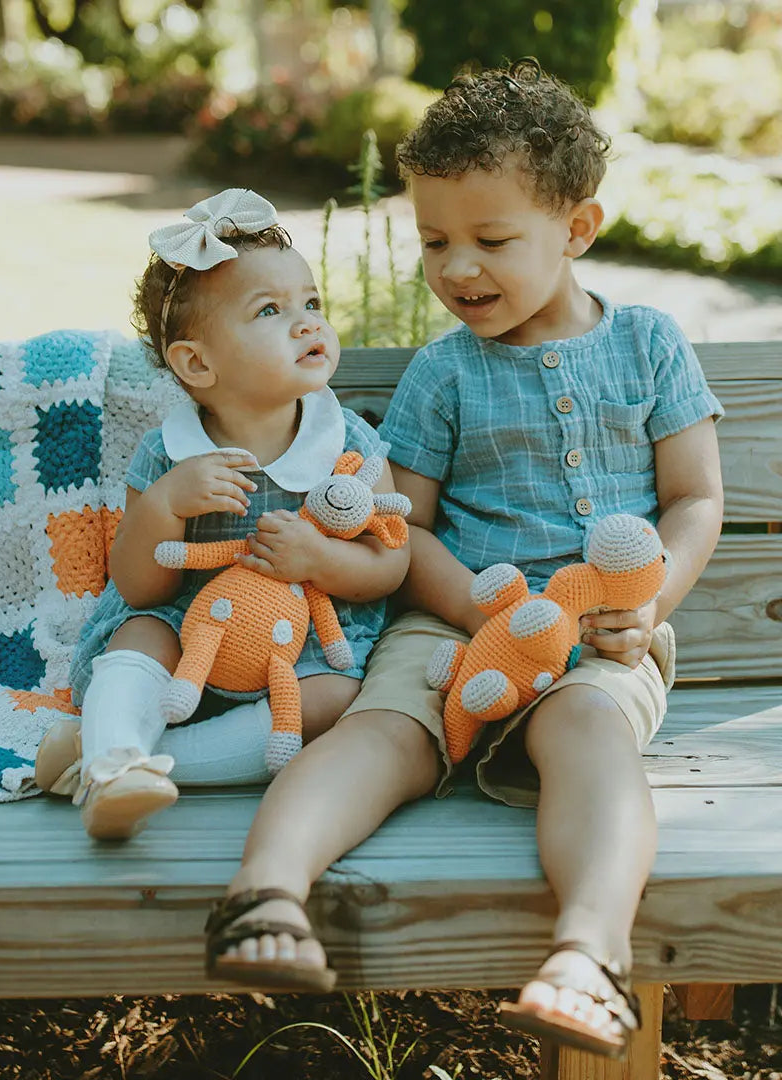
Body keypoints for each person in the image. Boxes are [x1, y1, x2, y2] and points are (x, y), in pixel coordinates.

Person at [202, 60, 724, 1059]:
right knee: (379, 732)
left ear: (576, 230)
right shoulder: (445, 373)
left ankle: (588, 957)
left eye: (491, 241)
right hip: (450, 624)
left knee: (589, 734)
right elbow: (406, 524)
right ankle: (262, 898)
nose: (457, 270)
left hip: (598, 638)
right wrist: (472, 612)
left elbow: (696, 497)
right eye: (435, 241)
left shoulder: (652, 345)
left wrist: (652, 602)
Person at [37, 188, 409, 846]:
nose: (306, 323)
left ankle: (115, 766)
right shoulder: (171, 453)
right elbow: (137, 586)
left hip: (299, 649)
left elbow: (391, 561)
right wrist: (163, 507)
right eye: (271, 310)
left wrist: (320, 559)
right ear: (196, 363)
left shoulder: (346, 441)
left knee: (333, 700)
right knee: (137, 640)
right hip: (191, 631)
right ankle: (119, 749)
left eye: (311, 303)